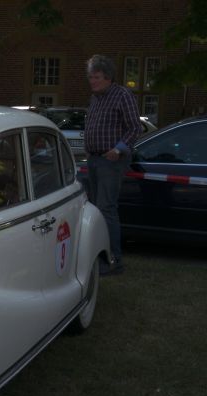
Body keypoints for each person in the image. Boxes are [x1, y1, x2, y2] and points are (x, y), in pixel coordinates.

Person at [83, 54, 142, 276]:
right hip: (94, 159)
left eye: (96, 77)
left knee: (106, 208)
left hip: (111, 161)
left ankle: (114, 260)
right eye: (90, 77)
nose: (92, 81)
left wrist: (118, 150)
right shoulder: (95, 98)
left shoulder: (122, 95)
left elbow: (135, 128)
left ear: (108, 77)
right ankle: (100, 257)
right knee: (97, 209)